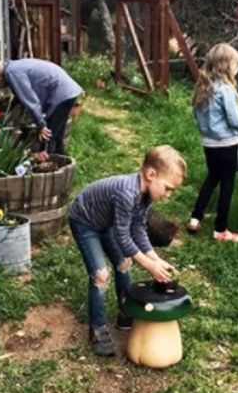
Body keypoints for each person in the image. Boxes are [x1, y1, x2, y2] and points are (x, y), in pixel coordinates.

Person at [69, 146, 185, 357]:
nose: (168, 195)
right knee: (100, 275)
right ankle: (97, 328)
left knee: (124, 263)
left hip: (106, 223)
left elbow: (138, 229)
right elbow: (123, 238)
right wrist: (149, 265)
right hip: (84, 222)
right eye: (168, 188)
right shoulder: (126, 193)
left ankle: (126, 312)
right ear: (151, 175)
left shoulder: (145, 196)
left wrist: (156, 259)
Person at [186, 43, 238, 243]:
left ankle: (195, 218)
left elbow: (199, 117)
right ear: (226, 66)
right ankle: (220, 231)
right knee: (227, 186)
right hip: (227, 145)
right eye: (236, 63)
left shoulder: (203, 87)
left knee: (211, 179)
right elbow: (233, 119)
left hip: (209, 145)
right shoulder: (225, 90)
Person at [0, 57, 82, 156]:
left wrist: (41, 125)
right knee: (57, 137)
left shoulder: (12, 73)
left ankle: (52, 168)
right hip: (66, 90)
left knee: (48, 138)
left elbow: (31, 101)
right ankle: (63, 167)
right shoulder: (12, 67)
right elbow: (20, 98)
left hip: (61, 93)